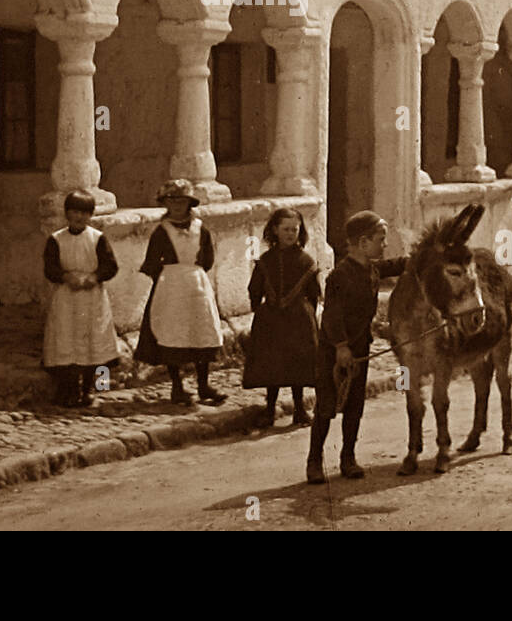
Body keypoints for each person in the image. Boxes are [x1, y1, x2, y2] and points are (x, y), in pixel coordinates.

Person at [306, 210, 407, 484]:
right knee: (326, 407)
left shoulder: (372, 270)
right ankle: (314, 462)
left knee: (354, 406)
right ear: (363, 243)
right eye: (380, 239)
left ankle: (347, 458)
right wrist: (340, 347)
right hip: (334, 352)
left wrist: (426, 257)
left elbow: (399, 264)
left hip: (360, 349)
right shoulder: (339, 276)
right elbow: (332, 316)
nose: (384, 244)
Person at [134, 179, 227, 406]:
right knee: (171, 332)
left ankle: (204, 385)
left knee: (201, 331)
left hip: (196, 285)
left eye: (182, 201)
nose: (177, 206)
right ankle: (177, 386)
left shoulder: (200, 229)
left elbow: (208, 259)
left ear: (189, 203)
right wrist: (168, 277)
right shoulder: (161, 232)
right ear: (165, 203)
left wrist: (191, 273)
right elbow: (151, 262)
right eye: (171, 201)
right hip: (170, 287)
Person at [242, 207, 319, 427]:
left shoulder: (307, 261)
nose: (290, 234)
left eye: (294, 229)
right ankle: (270, 409)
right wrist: (259, 311)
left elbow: (313, 294)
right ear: (274, 230)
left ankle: (299, 408)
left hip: (298, 321)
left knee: (298, 365)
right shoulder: (265, 260)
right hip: (271, 320)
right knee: (271, 364)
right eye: (285, 229)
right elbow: (254, 289)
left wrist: (309, 317)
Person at [42, 189, 120, 407]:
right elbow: (50, 268)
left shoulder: (97, 239)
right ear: (67, 213)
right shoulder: (56, 240)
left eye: (84, 213)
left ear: (91, 215)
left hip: (91, 297)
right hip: (67, 297)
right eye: (75, 212)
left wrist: (94, 277)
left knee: (91, 342)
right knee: (66, 340)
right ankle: (68, 389)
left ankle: (88, 389)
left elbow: (111, 266)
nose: (79, 217)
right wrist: (65, 276)